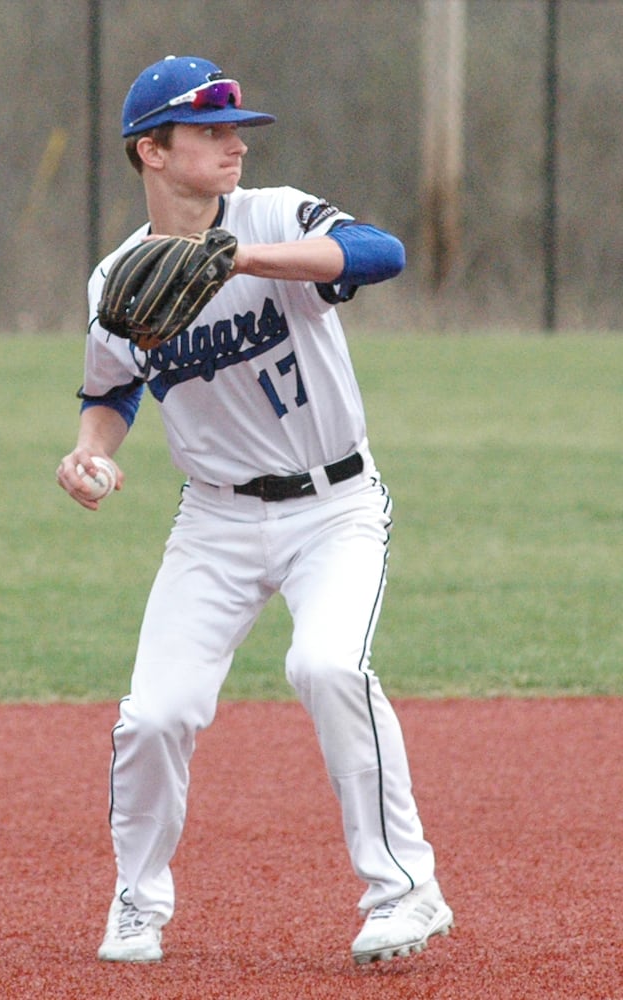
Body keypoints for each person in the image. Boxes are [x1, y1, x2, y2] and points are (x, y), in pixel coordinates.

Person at [57, 54, 453, 966]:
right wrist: (90, 454)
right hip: (216, 522)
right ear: (151, 151)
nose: (236, 143)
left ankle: (405, 891)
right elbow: (112, 391)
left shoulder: (274, 215)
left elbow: (378, 252)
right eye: (210, 131)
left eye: (238, 130)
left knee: (327, 666)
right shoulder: (116, 281)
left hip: (335, 505)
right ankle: (136, 903)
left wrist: (243, 256)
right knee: (155, 714)